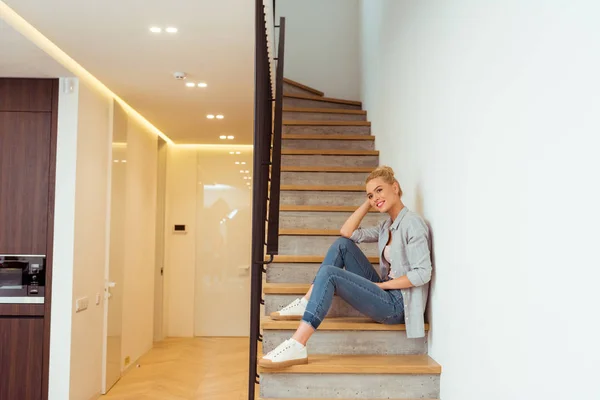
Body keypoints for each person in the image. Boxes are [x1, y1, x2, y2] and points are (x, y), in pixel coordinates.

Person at [259, 166, 432, 369]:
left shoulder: (413, 224)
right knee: (342, 245)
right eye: (370, 194)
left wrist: (383, 287)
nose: (375, 197)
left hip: (399, 306)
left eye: (379, 190)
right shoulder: (387, 227)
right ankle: (307, 301)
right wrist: (369, 204)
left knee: (329, 274)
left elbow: (423, 273)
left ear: (395, 187)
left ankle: (298, 343)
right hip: (386, 292)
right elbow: (347, 232)